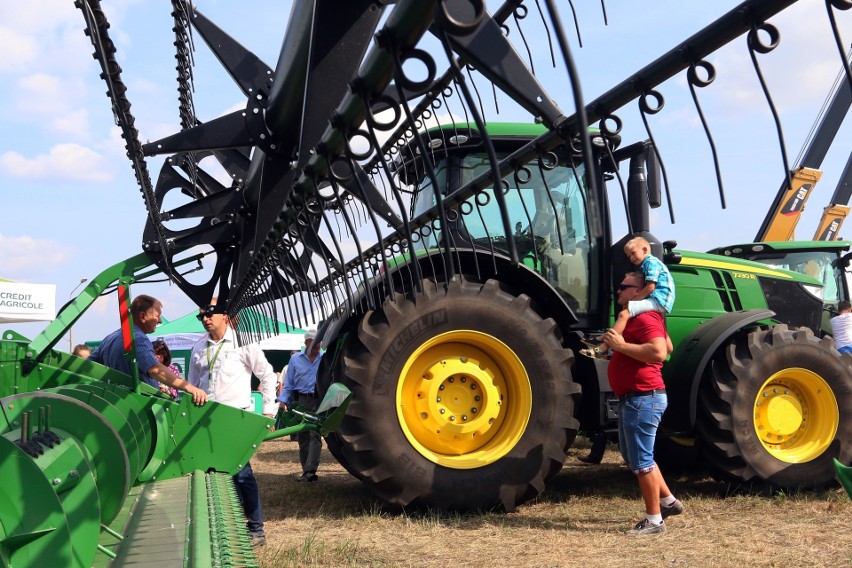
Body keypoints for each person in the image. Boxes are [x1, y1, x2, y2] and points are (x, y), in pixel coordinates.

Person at [187, 298, 278, 548]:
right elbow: (190, 385)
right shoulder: (197, 347)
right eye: (201, 316)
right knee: (213, 474)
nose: (205, 318)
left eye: (210, 313)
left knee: (241, 473)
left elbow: (268, 376)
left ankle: (256, 530)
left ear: (225, 315)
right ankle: (228, 526)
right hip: (206, 422)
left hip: (235, 419)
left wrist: (269, 413)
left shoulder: (243, 343)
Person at [599, 271, 683, 535]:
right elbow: (667, 346)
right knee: (635, 456)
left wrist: (621, 346)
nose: (619, 291)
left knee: (642, 461)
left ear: (640, 292)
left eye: (624, 287)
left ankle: (654, 520)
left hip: (643, 398)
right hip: (635, 398)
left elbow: (659, 351)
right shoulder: (640, 318)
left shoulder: (645, 316)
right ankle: (668, 502)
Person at [89, 294, 207, 405]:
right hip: (138, 407)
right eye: (157, 316)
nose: (160, 320)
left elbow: (88, 365)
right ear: (142, 316)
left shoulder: (109, 338)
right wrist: (190, 388)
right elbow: (155, 369)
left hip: (115, 403)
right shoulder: (138, 338)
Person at [584, 236, 675, 358]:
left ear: (644, 250)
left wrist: (632, 302)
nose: (631, 258)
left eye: (633, 253)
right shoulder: (647, 264)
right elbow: (669, 348)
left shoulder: (651, 263)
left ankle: (603, 348)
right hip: (659, 300)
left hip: (659, 299)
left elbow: (649, 288)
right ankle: (604, 337)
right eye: (629, 256)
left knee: (624, 314)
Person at [278, 329, 323, 482]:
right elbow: (289, 383)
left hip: (319, 400)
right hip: (301, 400)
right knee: (302, 435)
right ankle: (306, 470)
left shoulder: (324, 358)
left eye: (319, 343)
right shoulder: (295, 359)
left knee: (315, 434)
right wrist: (282, 402)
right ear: (306, 343)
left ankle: (311, 470)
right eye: (314, 343)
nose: (317, 346)